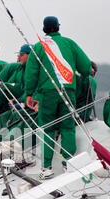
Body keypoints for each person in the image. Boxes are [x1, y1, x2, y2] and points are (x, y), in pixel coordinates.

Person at [24, 16, 92, 179]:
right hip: (68, 91)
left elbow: (31, 73)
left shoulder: (39, 47)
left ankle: (47, 168)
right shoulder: (70, 43)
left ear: (44, 29)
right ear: (58, 27)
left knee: (47, 129)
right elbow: (86, 67)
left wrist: (29, 94)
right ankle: (68, 163)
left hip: (47, 93)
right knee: (68, 127)